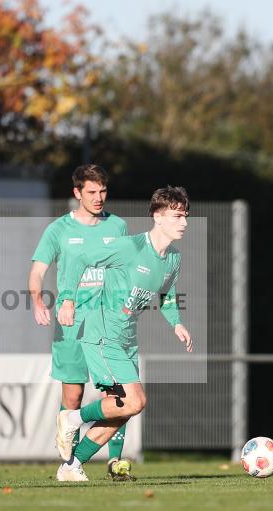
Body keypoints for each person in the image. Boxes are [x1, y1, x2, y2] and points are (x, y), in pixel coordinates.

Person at [54, 185, 193, 482]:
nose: (184, 222)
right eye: (177, 216)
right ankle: (72, 418)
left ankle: (71, 466)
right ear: (157, 217)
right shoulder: (130, 247)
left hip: (127, 340)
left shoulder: (173, 258)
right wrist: (67, 299)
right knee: (135, 401)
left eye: (185, 216)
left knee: (122, 409)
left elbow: (167, 295)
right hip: (103, 335)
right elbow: (80, 259)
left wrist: (177, 323)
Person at [28, 165, 135, 481]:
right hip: (71, 324)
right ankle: (69, 464)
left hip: (108, 324)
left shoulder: (117, 226)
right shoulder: (58, 229)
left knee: (119, 395)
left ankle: (115, 461)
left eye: (103, 191)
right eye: (91, 192)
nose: (98, 197)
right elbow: (37, 271)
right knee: (72, 398)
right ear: (77, 193)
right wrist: (37, 300)